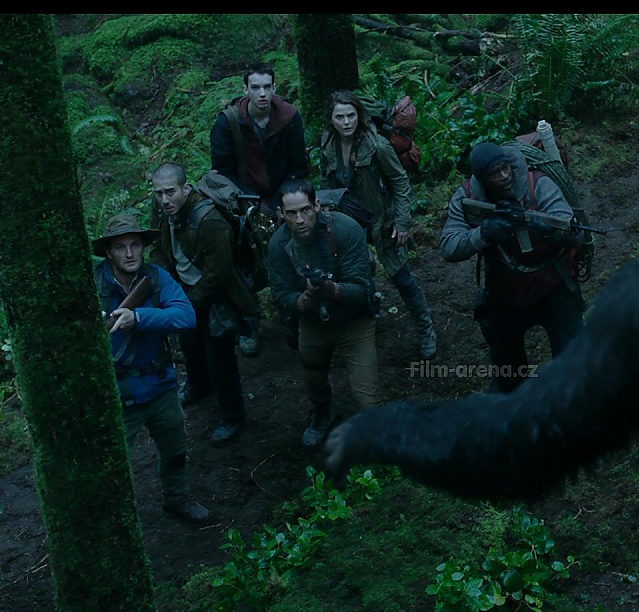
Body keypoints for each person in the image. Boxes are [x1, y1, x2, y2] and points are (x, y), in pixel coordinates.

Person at [439, 141, 584, 393]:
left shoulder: (537, 184)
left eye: (505, 168)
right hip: (504, 291)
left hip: (552, 283)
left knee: (574, 363)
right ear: (482, 179)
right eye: (495, 174)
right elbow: (449, 246)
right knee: (509, 374)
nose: (505, 176)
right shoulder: (468, 197)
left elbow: (571, 228)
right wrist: (484, 232)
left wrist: (550, 230)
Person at [92, 212, 209, 522]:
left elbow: (186, 316)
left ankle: (177, 500)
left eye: (135, 245)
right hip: (117, 394)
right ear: (109, 252)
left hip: (160, 385)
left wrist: (140, 317)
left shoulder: (155, 278)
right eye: (121, 247)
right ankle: (116, 521)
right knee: (113, 467)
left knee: (175, 452)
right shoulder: (93, 285)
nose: (130, 253)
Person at [317, 89, 437, 360]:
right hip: (348, 219)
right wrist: (327, 216)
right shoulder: (328, 144)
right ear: (331, 120)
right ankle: (364, 317)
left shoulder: (377, 146)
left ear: (358, 116)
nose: (346, 122)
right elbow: (326, 181)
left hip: (381, 220)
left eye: (350, 116)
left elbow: (400, 182)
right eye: (340, 117)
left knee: (401, 277)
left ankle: (426, 328)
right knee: (351, 274)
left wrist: (402, 222)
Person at [265, 178, 380, 448]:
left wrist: (333, 290)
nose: (300, 220)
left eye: (305, 210)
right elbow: (281, 296)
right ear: (281, 213)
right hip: (313, 321)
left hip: (354, 321)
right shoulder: (278, 245)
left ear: (316, 205)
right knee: (314, 378)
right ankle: (322, 413)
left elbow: (362, 290)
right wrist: (304, 300)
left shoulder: (345, 229)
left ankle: (378, 437)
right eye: (291, 213)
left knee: (367, 396)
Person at [210, 61, 310, 358]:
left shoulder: (289, 117)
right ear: (246, 90)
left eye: (267, 87)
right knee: (240, 260)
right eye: (256, 87)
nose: (262, 93)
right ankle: (249, 321)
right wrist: (250, 204)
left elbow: (298, 165)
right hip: (242, 200)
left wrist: (282, 202)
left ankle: (294, 314)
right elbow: (222, 172)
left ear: (274, 88)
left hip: (282, 197)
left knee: (294, 253)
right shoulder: (228, 122)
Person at [150, 161, 253, 448]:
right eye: (159, 193)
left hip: (216, 296)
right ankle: (199, 386)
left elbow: (218, 274)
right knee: (190, 346)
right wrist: (171, 288)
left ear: (185, 188)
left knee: (219, 356)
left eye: (170, 192)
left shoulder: (209, 221)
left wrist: (186, 303)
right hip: (184, 290)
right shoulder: (161, 211)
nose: (164, 200)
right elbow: (157, 247)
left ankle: (232, 416)